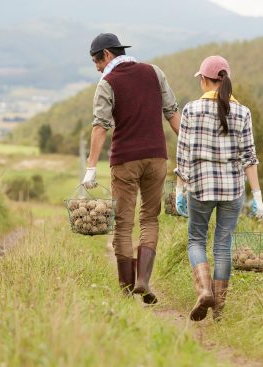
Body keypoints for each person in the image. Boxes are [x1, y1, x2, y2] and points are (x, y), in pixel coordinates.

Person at [82, 33, 181, 304]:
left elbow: (101, 126)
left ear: (107, 55)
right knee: (150, 218)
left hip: (125, 160)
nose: (97, 67)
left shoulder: (107, 83)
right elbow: (172, 113)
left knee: (124, 224)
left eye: (96, 61)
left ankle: (126, 291)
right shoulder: (154, 72)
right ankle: (144, 281)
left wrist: (91, 167)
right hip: (157, 158)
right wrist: (188, 153)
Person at [174, 55, 263, 321]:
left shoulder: (191, 110)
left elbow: (183, 156)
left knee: (196, 240)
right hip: (233, 189)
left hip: (200, 186)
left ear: (204, 80)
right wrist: (258, 197)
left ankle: (204, 290)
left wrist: (180, 190)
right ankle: (219, 311)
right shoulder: (243, 112)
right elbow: (250, 157)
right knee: (223, 247)